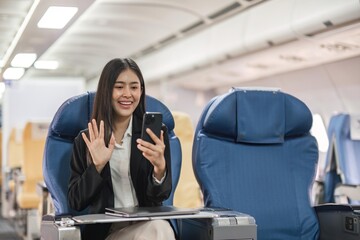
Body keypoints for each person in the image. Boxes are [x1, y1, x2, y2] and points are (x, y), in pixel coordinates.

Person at [68, 58, 176, 240]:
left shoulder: (154, 134)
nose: (127, 94)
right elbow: (76, 201)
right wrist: (97, 166)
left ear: (141, 91)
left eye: (134, 87)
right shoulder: (87, 139)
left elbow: (159, 197)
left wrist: (159, 170)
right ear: (106, 91)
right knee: (160, 230)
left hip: (146, 224)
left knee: (159, 228)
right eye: (119, 87)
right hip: (107, 232)